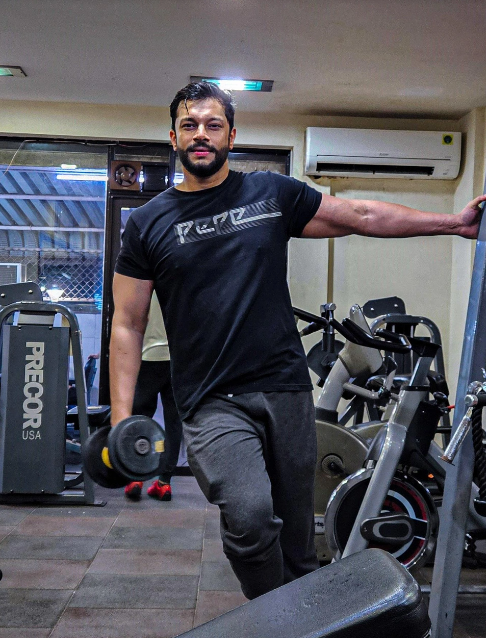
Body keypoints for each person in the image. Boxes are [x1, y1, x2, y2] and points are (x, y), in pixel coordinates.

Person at [109, 81, 485, 600]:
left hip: (285, 389)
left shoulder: (271, 193)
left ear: (231, 136)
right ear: (173, 137)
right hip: (210, 398)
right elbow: (127, 325)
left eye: (213, 125)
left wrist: (454, 224)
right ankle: (271, 615)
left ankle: (300, 612)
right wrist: (121, 419)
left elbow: (361, 216)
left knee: (298, 536)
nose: (201, 135)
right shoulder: (149, 223)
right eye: (189, 125)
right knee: (249, 516)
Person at [124, 292, 182, 502]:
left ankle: (136, 477)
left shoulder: (144, 284)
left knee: (140, 420)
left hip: (148, 357)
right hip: (177, 359)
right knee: (174, 423)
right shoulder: (182, 283)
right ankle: (164, 483)